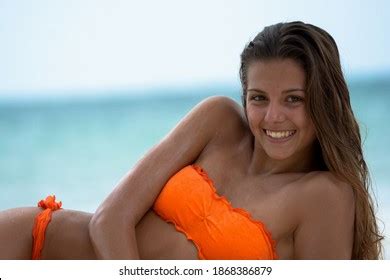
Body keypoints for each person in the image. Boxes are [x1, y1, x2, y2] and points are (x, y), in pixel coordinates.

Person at [0, 21, 383, 260]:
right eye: (259, 98)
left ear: (323, 102)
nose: (273, 117)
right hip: (30, 244)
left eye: (294, 99)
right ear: (244, 96)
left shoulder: (325, 196)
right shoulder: (218, 120)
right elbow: (109, 219)